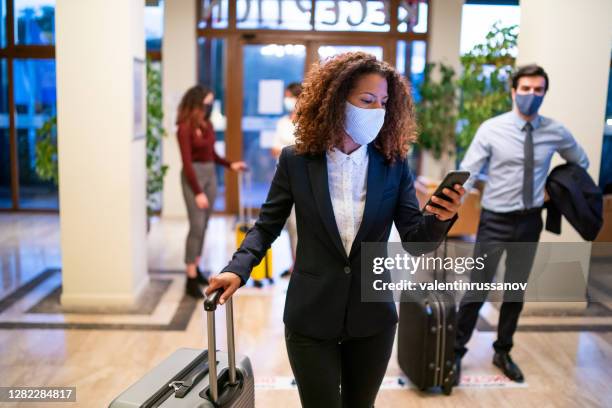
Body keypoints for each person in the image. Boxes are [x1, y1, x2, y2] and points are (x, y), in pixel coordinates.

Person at [206, 52, 464, 407]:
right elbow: (267, 226)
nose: (377, 110)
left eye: (384, 102)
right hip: (311, 316)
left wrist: (440, 217)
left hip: (372, 319)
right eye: (367, 100)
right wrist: (237, 269)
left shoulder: (393, 165)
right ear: (336, 100)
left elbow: (416, 242)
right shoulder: (296, 160)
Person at [455, 64, 589, 383]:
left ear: (544, 93)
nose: (532, 95)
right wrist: (453, 203)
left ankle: (503, 350)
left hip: (530, 221)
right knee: (478, 288)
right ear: (513, 92)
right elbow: (469, 171)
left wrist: (553, 191)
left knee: (515, 291)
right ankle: (455, 351)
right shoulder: (491, 129)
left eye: (538, 90)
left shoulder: (555, 131)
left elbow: (579, 162)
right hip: (494, 220)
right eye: (526, 89)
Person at [176, 85, 247, 298]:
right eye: (206, 103)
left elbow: (212, 154)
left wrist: (230, 164)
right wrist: (197, 192)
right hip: (193, 178)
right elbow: (187, 163)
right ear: (196, 103)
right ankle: (189, 277)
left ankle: (196, 268)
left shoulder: (207, 125)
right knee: (196, 225)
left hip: (210, 176)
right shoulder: (184, 128)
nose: (208, 107)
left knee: (205, 224)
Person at [271, 82, 302, 278]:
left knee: (300, 226)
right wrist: (292, 148)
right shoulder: (283, 122)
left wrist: (286, 149)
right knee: (290, 226)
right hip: (284, 179)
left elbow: (307, 149)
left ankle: (301, 267)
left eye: (289, 96)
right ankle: (294, 265)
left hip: (302, 180)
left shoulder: (309, 123)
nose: (287, 101)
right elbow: (274, 149)